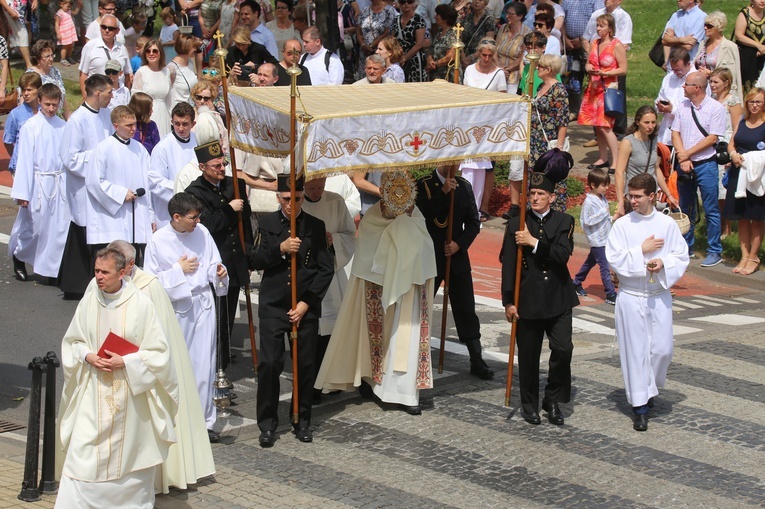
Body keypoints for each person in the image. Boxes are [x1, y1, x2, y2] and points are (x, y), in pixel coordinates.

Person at [55, 247, 178, 508]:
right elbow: (73, 341)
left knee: (130, 459)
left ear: (122, 272)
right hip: (93, 391)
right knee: (82, 453)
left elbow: (159, 353)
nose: (99, 277)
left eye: (105, 272)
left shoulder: (141, 304)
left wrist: (127, 360)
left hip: (129, 396)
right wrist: (88, 355)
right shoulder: (90, 300)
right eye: (96, 271)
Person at [315, 171, 436, 415]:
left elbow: (424, 252)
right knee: (372, 337)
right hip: (375, 289)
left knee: (407, 339)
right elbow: (366, 254)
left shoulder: (417, 219)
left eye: (405, 201)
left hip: (409, 291)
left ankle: (404, 393)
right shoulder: (371, 219)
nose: (399, 207)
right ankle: (371, 380)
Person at [249, 174, 334, 446]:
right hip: (274, 306)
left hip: (304, 307)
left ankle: (301, 420)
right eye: (286, 199)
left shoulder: (315, 225)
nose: (291, 204)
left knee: (305, 366)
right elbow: (255, 259)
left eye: (296, 199)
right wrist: (281, 249)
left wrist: (306, 303)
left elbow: (325, 269)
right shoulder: (267, 222)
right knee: (270, 364)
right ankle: (267, 424)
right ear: (278, 197)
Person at [606, 173, 690, 432]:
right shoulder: (622, 225)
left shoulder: (667, 224)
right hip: (631, 296)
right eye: (630, 196)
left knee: (662, 350)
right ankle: (640, 407)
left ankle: (648, 388)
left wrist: (663, 263)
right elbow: (613, 258)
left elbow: (681, 255)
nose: (633, 200)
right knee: (635, 352)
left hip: (658, 295)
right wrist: (640, 251)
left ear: (652, 196)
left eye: (638, 196)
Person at [144, 192, 229, 443]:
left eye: (198, 216)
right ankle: (175, 420)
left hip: (202, 303)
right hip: (176, 307)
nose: (197, 221)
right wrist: (177, 271)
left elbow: (214, 263)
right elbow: (150, 282)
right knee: (177, 365)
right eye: (192, 217)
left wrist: (219, 272)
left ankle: (204, 423)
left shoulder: (202, 233)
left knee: (204, 363)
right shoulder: (158, 241)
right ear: (176, 217)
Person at [501, 168, 578, 426]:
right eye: (531, 193)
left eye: (540, 193)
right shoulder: (516, 223)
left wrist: (533, 242)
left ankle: (553, 399)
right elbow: (508, 264)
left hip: (558, 298)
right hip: (528, 300)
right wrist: (508, 301)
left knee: (563, 349)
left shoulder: (564, 221)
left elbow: (561, 256)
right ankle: (529, 404)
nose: (535, 198)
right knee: (529, 356)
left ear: (551, 197)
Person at [416, 166, 494, 379]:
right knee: (421, 305)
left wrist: (459, 244)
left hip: (455, 254)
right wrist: (443, 192)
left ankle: (476, 357)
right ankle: (414, 353)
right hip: (430, 254)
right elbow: (421, 214)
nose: (455, 166)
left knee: (466, 306)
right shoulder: (424, 183)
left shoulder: (464, 186)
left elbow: (473, 222)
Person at [184, 140, 252, 371]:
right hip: (211, 263)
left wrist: (248, 255)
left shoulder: (235, 185)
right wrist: (229, 209)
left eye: (223, 164)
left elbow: (246, 223)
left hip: (233, 263)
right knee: (212, 321)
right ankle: (212, 368)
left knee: (227, 320)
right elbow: (207, 225)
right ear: (202, 167)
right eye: (216, 166)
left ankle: (222, 366)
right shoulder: (194, 192)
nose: (222, 169)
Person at [301, 176, 357, 402]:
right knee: (310, 332)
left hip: (331, 275)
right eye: (312, 188)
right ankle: (311, 383)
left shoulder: (335, 202)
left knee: (330, 331)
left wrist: (333, 240)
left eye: (320, 188)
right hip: (306, 275)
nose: (316, 193)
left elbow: (349, 234)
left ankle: (329, 380)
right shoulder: (294, 201)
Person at [58, 74, 114, 299]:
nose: (112, 96)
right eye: (109, 92)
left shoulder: (106, 114)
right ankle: (76, 284)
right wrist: (99, 158)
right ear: (97, 93)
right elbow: (69, 158)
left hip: (103, 185)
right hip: (83, 188)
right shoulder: (77, 120)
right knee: (83, 233)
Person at [8, 84, 68, 283]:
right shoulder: (30, 126)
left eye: (54, 104)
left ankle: (51, 270)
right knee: (36, 228)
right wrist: (23, 193)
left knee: (58, 229)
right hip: (38, 182)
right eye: (47, 104)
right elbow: (24, 160)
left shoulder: (63, 126)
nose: (51, 108)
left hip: (58, 183)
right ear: (40, 102)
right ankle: (19, 256)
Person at [671, 71, 727, 266]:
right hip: (684, 163)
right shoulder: (682, 106)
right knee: (686, 207)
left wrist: (688, 154)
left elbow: (713, 138)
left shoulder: (715, 109)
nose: (683, 87)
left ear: (697, 88)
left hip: (706, 163)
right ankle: (686, 247)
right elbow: (675, 133)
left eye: (686, 84)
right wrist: (682, 155)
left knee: (711, 209)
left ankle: (714, 250)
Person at [86, 105, 153, 264]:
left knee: (135, 261)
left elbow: (148, 182)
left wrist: (151, 215)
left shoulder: (140, 149)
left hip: (136, 213)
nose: (134, 129)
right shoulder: (103, 149)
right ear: (116, 126)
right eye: (128, 125)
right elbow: (94, 182)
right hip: (113, 216)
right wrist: (121, 193)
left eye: (134, 124)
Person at [460, 38, 506, 219]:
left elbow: (502, 101)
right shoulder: (470, 70)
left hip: (489, 125)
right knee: (468, 165)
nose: (486, 58)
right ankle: (464, 206)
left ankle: (483, 207)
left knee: (487, 167)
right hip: (469, 123)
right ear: (478, 53)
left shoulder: (499, 74)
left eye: (490, 55)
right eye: (483, 54)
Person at [577, 13, 626, 175]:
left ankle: (616, 160)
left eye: (602, 26)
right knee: (596, 125)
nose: (598, 29)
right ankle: (602, 157)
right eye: (597, 25)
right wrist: (589, 68)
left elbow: (623, 69)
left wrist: (606, 72)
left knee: (605, 126)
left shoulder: (616, 45)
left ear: (610, 28)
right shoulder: (595, 43)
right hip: (593, 88)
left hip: (608, 88)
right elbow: (589, 62)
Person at [725, 86, 765, 276]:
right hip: (739, 171)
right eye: (751, 101)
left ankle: (754, 256)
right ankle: (744, 254)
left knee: (756, 218)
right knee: (741, 217)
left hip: (758, 175)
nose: (754, 105)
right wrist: (733, 153)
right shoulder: (742, 120)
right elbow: (732, 142)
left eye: (758, 101)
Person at [614, 106, 679, 220]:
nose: (650, 126)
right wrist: (620, 202)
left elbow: (655, 169)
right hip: (635, 196)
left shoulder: (653, 140)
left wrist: (669, 195)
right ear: (638, 122)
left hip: (650, 196)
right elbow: (619, 173)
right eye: (646, 122)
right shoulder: (628, 142)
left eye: (653, 122)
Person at [571, 168, 616, 305]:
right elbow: (587, 221)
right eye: (604, 185)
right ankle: (610, 293)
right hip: (597, 240)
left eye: (607, 184)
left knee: (590, 261)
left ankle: (576, 282)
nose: (606, 188)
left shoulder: (602, 198)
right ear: (593, 185)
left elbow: (604, 217)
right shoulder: (589, 202)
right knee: (604, 267)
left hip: (605, 237)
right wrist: (603, 213)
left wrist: (612, 217)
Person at [149, 102, 198, 227]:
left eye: (185, 124)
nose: (180, 128)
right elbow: (155, 181)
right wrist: (181, 189)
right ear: (172, 122)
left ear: (193, 124)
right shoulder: (163, 147)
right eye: (177, 124)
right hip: (171, 209)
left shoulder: (198, 140)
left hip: (196, 204)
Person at [531, 54, 569, 212]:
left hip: (549, 143)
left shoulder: (559, 90)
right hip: (535, 142)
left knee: (551, 177)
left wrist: (558, 147)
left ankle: (554, 212)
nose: (537, 68)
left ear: (549, 69)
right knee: (536, 179)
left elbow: (563, 120)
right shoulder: (540, 87)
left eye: (540, 66)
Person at [710, 67, 743, 239]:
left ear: (726, 83)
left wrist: (733, 150)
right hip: (712, 144)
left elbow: (737, 127)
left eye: (716, 82)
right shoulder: (710, 99)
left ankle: (727, 226)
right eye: (711, 81)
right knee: (713, 187)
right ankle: (716, 223)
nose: (712, 85)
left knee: (724, 189)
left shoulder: (733, 101)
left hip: (726, 143)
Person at [79, 14, 133, 98]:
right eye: (104, 27)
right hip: (96, 97)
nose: (107, 30)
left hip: (118, 96)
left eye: (111, 28)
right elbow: (83, 74)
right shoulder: (90, 46)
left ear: (117, 31)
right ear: (100, 28)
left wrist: (126, 96)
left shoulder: (122, 48)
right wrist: (85, 97)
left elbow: (127, 74)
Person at [696, 11, 742, 101]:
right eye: (705, 25)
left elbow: (733, 75)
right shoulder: (703, 44)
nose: (705, 28)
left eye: (709, 26)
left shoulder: (730, 47)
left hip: (719, 94)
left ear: (719, 28)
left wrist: (710, 73)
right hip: (701, 91)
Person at [656, 47, 696, 149]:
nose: (675, 73)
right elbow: (660, 97)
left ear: (688, 64)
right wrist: (660, 107)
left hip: (685, 136)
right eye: (673, 69)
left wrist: (672, 110)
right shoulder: (669, 78)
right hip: (666, 133)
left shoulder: (697, 80)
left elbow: (698, 110)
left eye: (679, 69)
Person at [132, 39, 173, 136]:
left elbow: (169, 99)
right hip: (147, 116)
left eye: (154, 51)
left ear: (160, 53)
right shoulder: (141, 72)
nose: (151, 53)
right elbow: (135, 99)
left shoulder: (166, 72)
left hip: (164, 115)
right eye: (148, 51)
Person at [3, 72, 40, 177]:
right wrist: (17, 157)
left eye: (29, 90)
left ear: (39, 90)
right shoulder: (16, 114)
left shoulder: (44, 111)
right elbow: (8, 142)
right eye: (23, 90)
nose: (26, 93)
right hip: (20, 168)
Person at [26, 40, 69, 118]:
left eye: (52, 55)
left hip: (56, 117)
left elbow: (62, 96)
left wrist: (68, 118)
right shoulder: (31, 74)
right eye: (47, 56)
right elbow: (25, 99)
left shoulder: (55, 71)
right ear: (38, 59)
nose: (51, 59)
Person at [496, 1, 531, 95]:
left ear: (520, 16)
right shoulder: (503, 28)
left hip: (513, 77)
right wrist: (499, 68)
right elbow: (495, 49)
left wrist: (507, 69)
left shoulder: (527, 33)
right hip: (497, 72)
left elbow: (523, 57)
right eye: (507, 13)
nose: (507, 16)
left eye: (511, 14)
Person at [733, 0, 765, 94]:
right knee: (746, 84)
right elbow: (739, 35)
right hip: (746, 56)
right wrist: (758, 46)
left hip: (762, 56)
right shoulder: (745, 14)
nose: (763, 1)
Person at [357, 0, 397, 74]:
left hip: (381, 52)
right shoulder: (364, 10)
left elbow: (387, 32)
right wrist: (363, 45)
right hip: (365, 52)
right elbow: (358, 31)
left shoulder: (389, 10)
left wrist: (372, 45)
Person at [391, 0, 427, 83]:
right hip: (399, 57)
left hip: (414, 58)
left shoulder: (419, 20)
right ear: (399, 4)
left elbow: (419, 44)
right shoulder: (396, 19)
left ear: (414, 3)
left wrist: (405, 58)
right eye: (403, 2)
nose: (406, 4)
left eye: (409, 1)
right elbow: (393, 40)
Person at [426, 4, 457, 81]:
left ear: (445, 19)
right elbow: (431, 49)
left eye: (437, 15)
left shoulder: (453, 34)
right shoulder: (439, 32)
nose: (435, 17)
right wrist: (430, 61)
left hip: (447, 76)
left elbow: (451, 56)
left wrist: (436, 64)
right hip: (434, 75)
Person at [169, 34, 200, 108]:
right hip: (178, 109)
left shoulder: (190, 63)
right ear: (185, 47)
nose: (195, 50)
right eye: (193, 47)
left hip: (191, 108)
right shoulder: (171, 68)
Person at [461, 0, 495, 66]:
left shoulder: (489, 20)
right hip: (463, 56)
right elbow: (460, 38)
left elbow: (488, 43)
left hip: (478, 58)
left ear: (485, 3)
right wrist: (463, 57)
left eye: (480, 0)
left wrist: (471, 58)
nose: (477, 2)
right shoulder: (468, 17)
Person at [0, 0, 32, 68]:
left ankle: (2, 59)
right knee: (22, 34)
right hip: (11, 7)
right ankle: (29, 65)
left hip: (22, 7)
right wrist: (9, 10)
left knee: (11, 39)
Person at [55, 0, 79, 66]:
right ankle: (63, 59)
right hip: (64, 32)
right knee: (65, 46)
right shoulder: (59, 13)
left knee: (71, 46)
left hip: (70, 31)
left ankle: (69, 56)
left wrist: (78, 7)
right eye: (67, 5)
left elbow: (75, 13)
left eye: (70, 5)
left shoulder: (69, 11)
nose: (68, 7)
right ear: (61, 4)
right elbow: (57, 24)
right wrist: (58, 33)